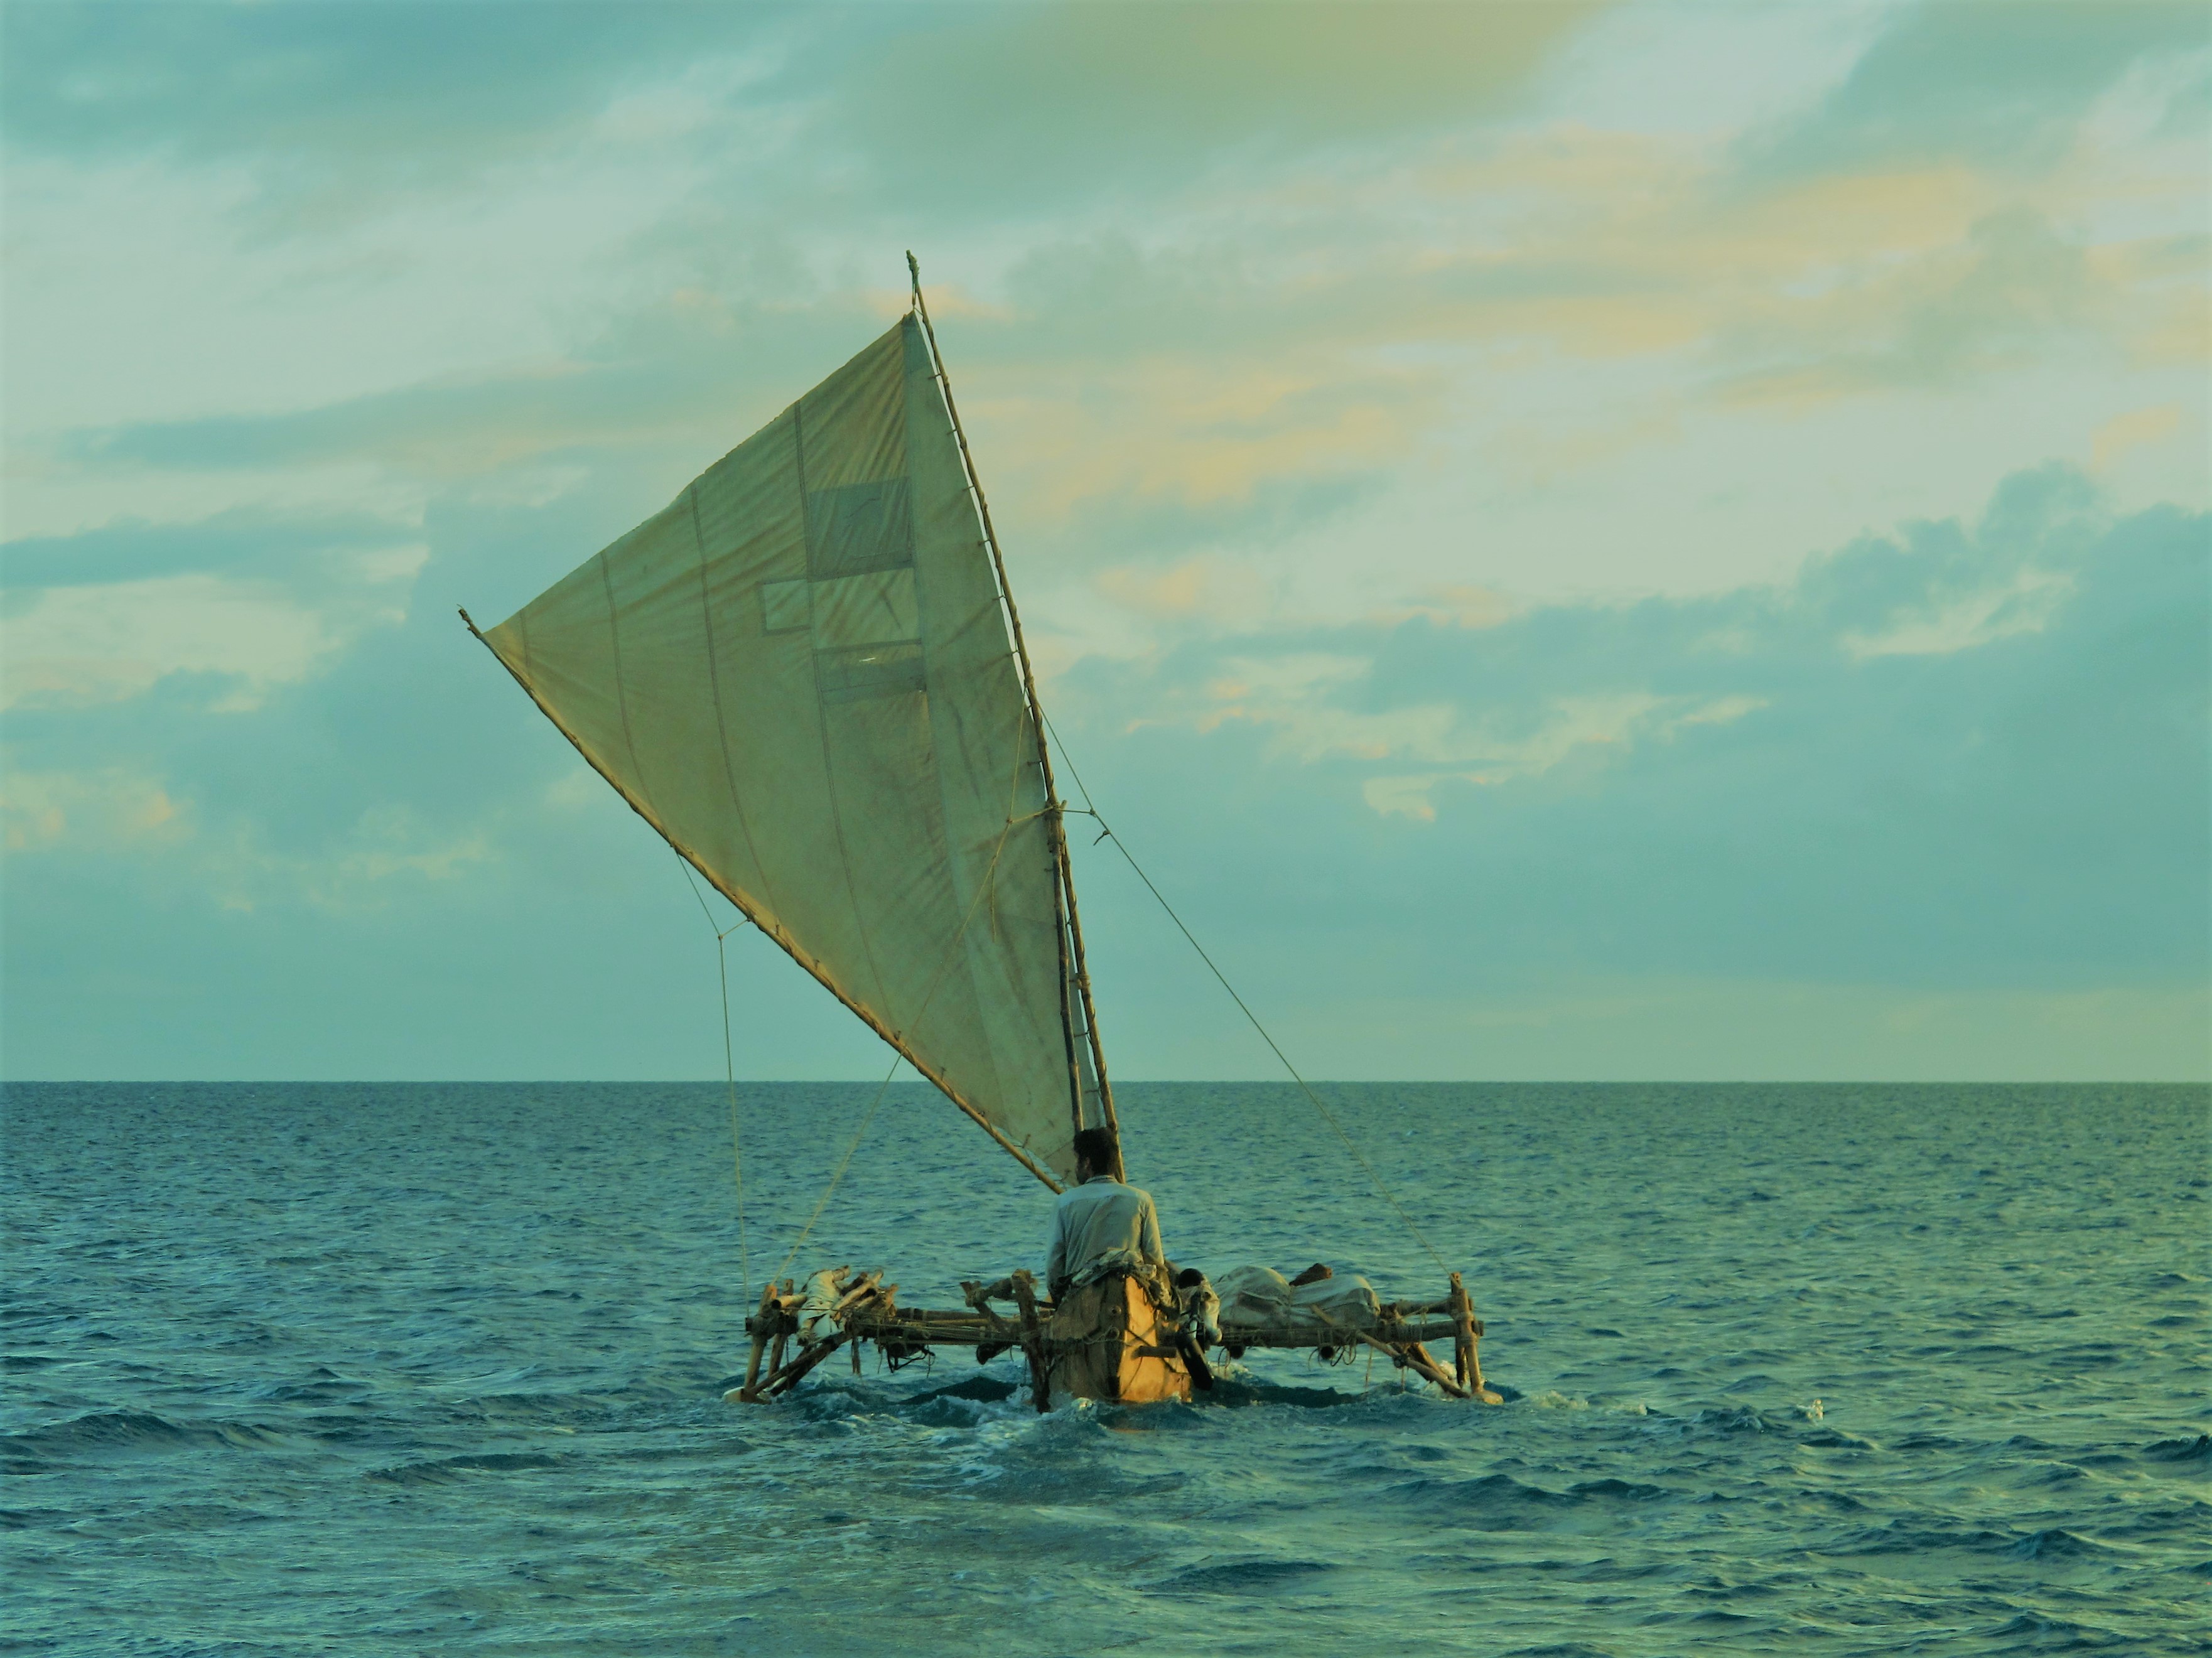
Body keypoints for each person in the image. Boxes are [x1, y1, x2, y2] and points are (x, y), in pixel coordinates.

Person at [1044, 1127, 1167, 1300]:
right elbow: (1155, 1260)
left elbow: (1054, 1265)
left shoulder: (1064, 1203)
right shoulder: (1142, 1200)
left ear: (1087, 1163)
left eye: (1077, 1160)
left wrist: (1058, 1301)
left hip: (1081, 1298)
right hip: (1129, 1296)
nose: (1076, 1167)